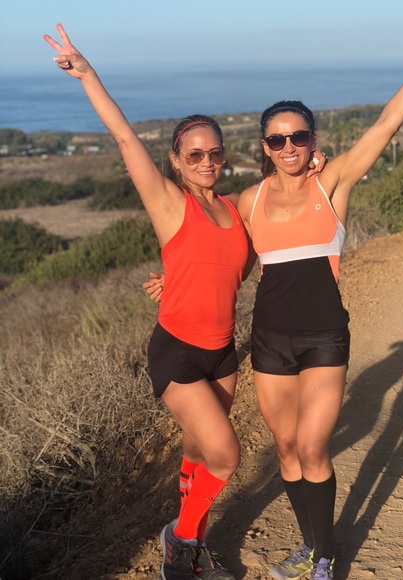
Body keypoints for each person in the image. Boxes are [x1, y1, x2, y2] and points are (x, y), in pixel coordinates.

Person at [234, 13, 403, 580]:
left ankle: (326, 555)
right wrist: (176, 280)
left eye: (298, 137)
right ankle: (310, 545)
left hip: (323, 337)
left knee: (313, 447)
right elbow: (230, 259)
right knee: (286, 450)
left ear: (313, 141)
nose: (289, 146)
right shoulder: (248, 201)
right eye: (278, 139)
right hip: (269, 340)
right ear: (265, 147)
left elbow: (386, 123)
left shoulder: (331, 183)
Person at [43, 25, 253, 580]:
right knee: (226, 455)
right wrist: (88, 74)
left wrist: (181, 276)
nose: (206, 161)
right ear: (176, 160)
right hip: (177, 350)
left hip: (222, 351)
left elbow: (240, 260)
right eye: (195, 154)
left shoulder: (236, 209)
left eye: (214, 152)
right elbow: (123, 137)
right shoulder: (169, 203)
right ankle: (180, 542)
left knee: (197, 451)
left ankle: (194, 541)